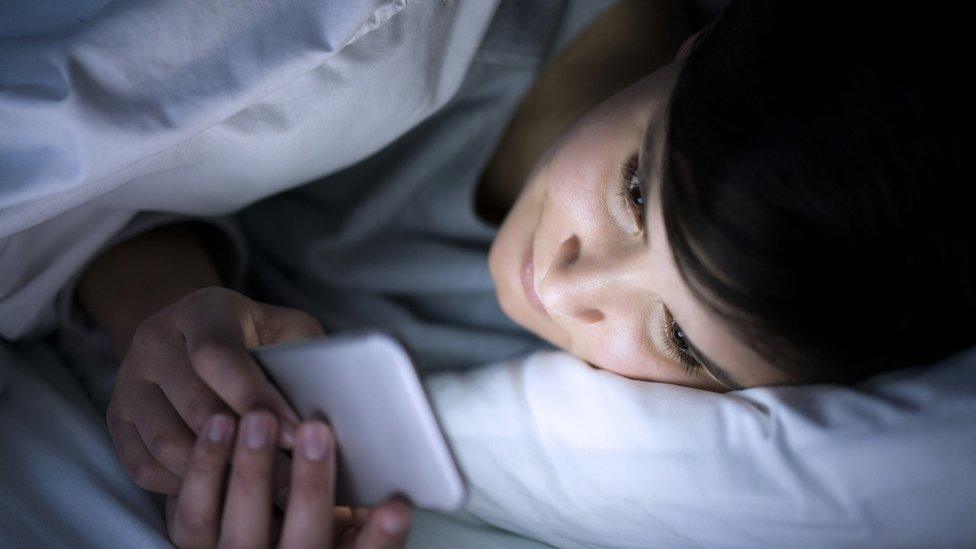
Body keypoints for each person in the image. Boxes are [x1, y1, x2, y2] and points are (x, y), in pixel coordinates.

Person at [3, 0, 972, 546]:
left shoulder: (609, 425)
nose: (575, 286)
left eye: (679, 336)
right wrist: (157, 304)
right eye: (635, 191)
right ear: (698, 44)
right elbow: (77, 173)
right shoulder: (430, 36)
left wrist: (167, 319)